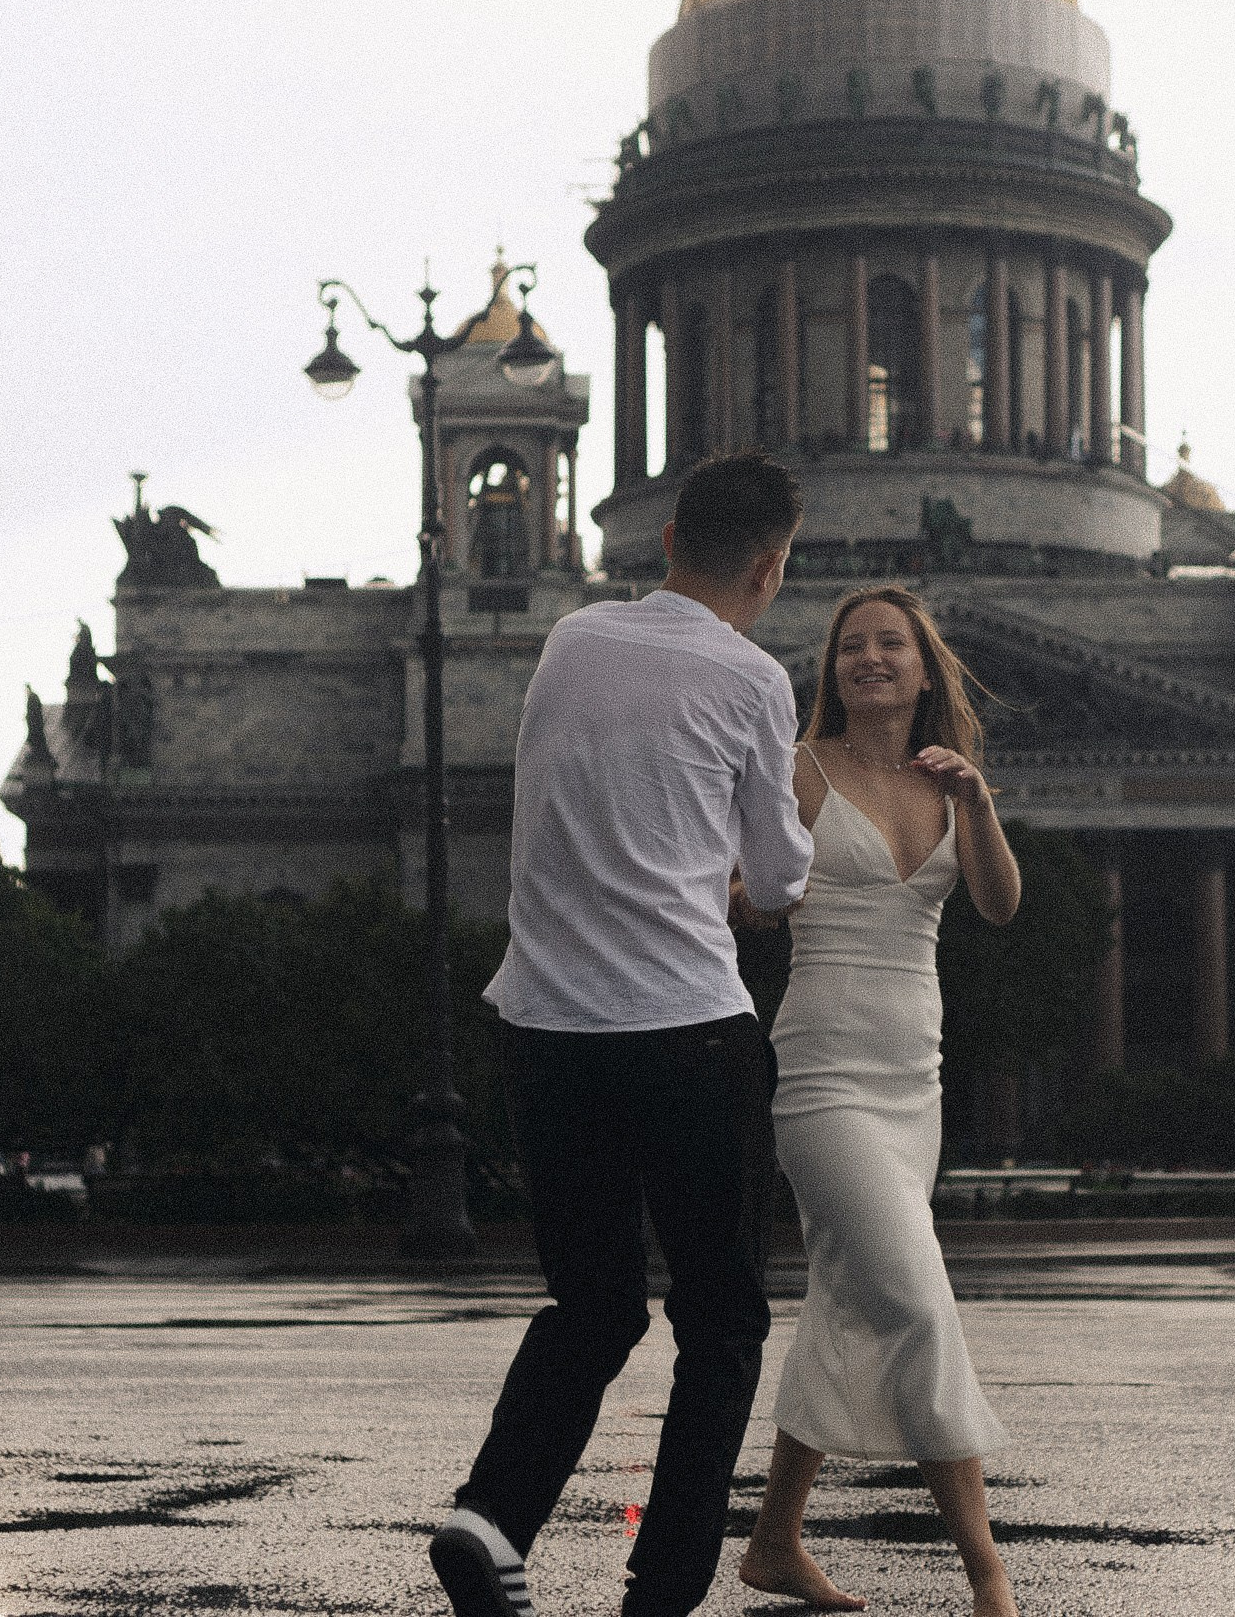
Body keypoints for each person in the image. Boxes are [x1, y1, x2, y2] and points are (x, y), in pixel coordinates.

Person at [432, 454, 816, 1617]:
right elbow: (786, 877)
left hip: (544, 1027)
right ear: (771, 564)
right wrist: (741, 877)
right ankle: (663, 1585)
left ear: (661, 544)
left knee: (591, 1302)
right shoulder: (753, 678)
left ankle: (490, 1517)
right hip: (686, 1030)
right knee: (722, 1318)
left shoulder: (569, 640)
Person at [738, 586, 1025, 1617]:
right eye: (851, 646)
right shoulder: (798, 768)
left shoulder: (950, 785)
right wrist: (760, 888)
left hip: (916, 1076)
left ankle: (773, 1543)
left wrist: (980, 802)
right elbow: (746, 897)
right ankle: (987, 1570)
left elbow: (996, 904)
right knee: (913, 1296)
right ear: (832, 670)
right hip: (821, 1073)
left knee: (848, 1300)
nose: (869, 658)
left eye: (890, 644)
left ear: (923, 668)